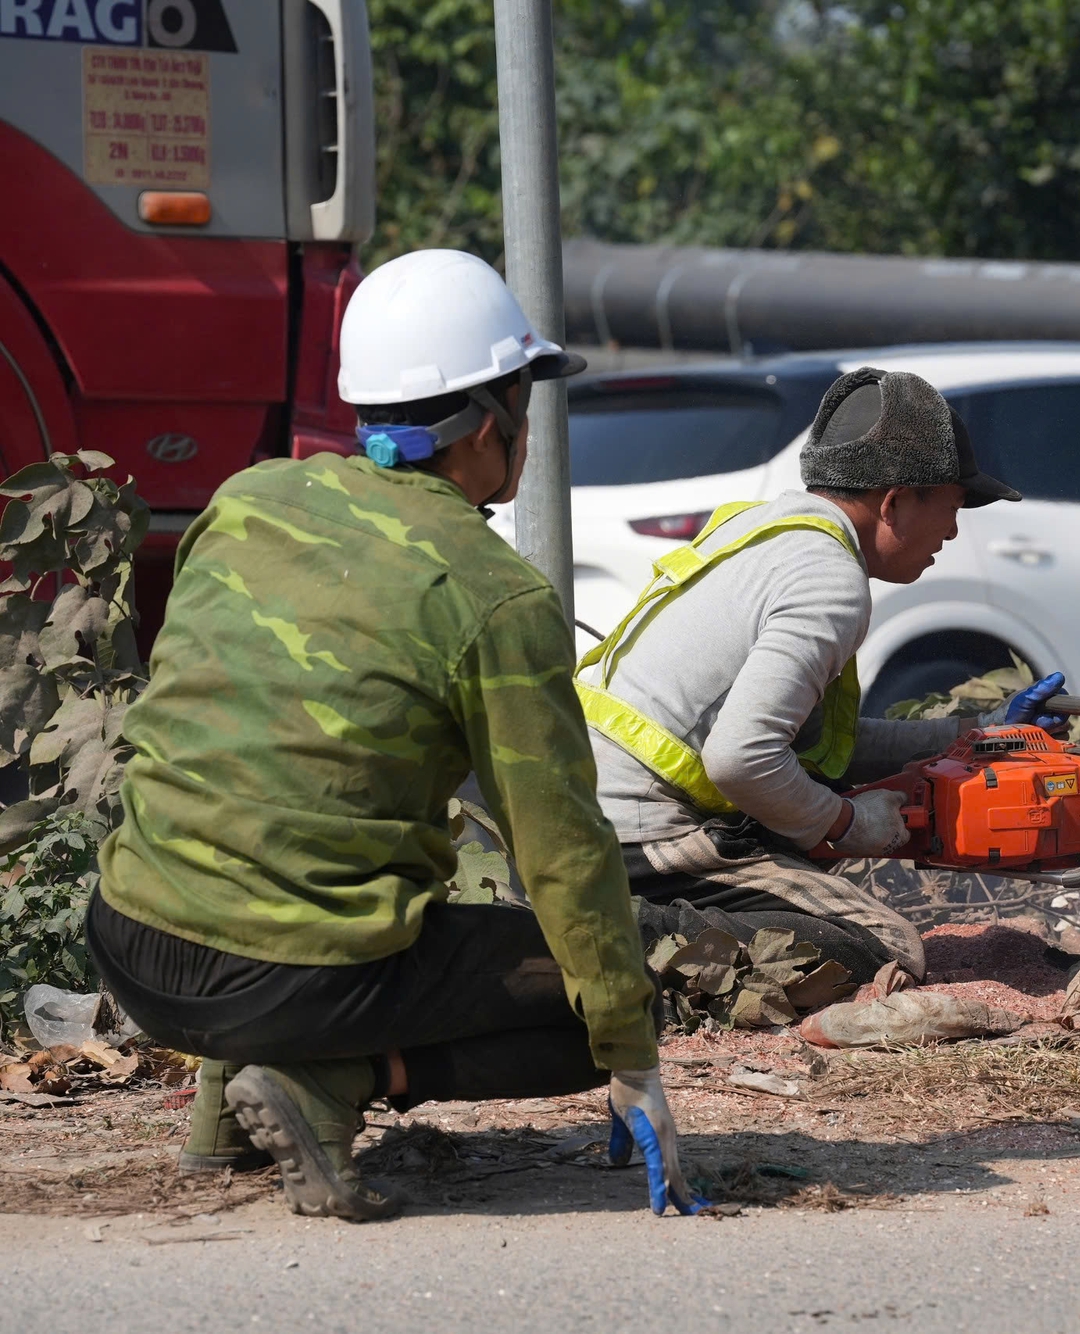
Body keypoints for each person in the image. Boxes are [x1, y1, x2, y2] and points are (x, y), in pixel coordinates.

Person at [86, 250, 686, 1222]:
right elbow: (564, 852)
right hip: (287, 975)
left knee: (267, 858)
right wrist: (631, 1051)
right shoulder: (495, 596)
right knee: (594, 997)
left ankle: (221, 1115)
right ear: (490, 426)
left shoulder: (248, 499)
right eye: (524, 406)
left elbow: (217, 734)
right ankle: (325, 1088)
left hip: (129, 937)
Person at [577, 368, 1069, 984]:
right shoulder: (829, 581)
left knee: (796, 853)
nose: (953, 529)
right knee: (880, 948)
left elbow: (809, 744)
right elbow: (740, 759)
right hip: (639, 837)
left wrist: (976, 732)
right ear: (894, 502)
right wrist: (846, 824)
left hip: (585, 812)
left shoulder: (767, 532)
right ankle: (612, 937)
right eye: (952, 505)